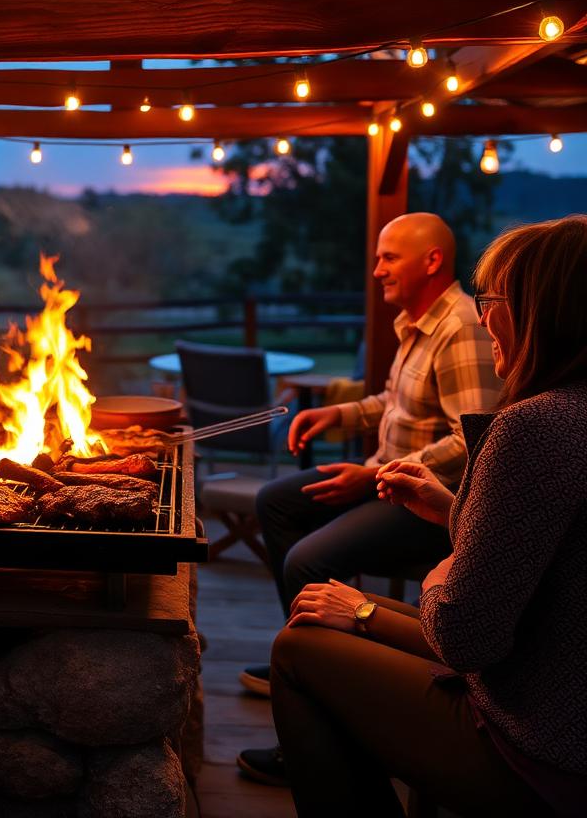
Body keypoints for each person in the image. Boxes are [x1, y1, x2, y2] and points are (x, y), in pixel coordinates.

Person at [267, 215, 587, 817]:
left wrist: (412, 584)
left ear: (546, 309)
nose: (484, 314)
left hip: (540, 743)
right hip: (551, 687)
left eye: (494, 298)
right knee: (317, 599)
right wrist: (455, 513)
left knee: (300, 644)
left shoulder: (537, 426)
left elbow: (468, 638)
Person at [238, 213, 501, 785]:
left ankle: (323, 702)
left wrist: (372, 472)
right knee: (276, 501)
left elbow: (472, 436)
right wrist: (341, 413)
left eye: (388, 257)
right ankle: (304, 654)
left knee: (307, 559)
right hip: (385, 479)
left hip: (429, 503)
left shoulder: (460, 329)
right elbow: (395, 401)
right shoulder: (417, 322)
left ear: (432, 261)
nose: (376, 268)